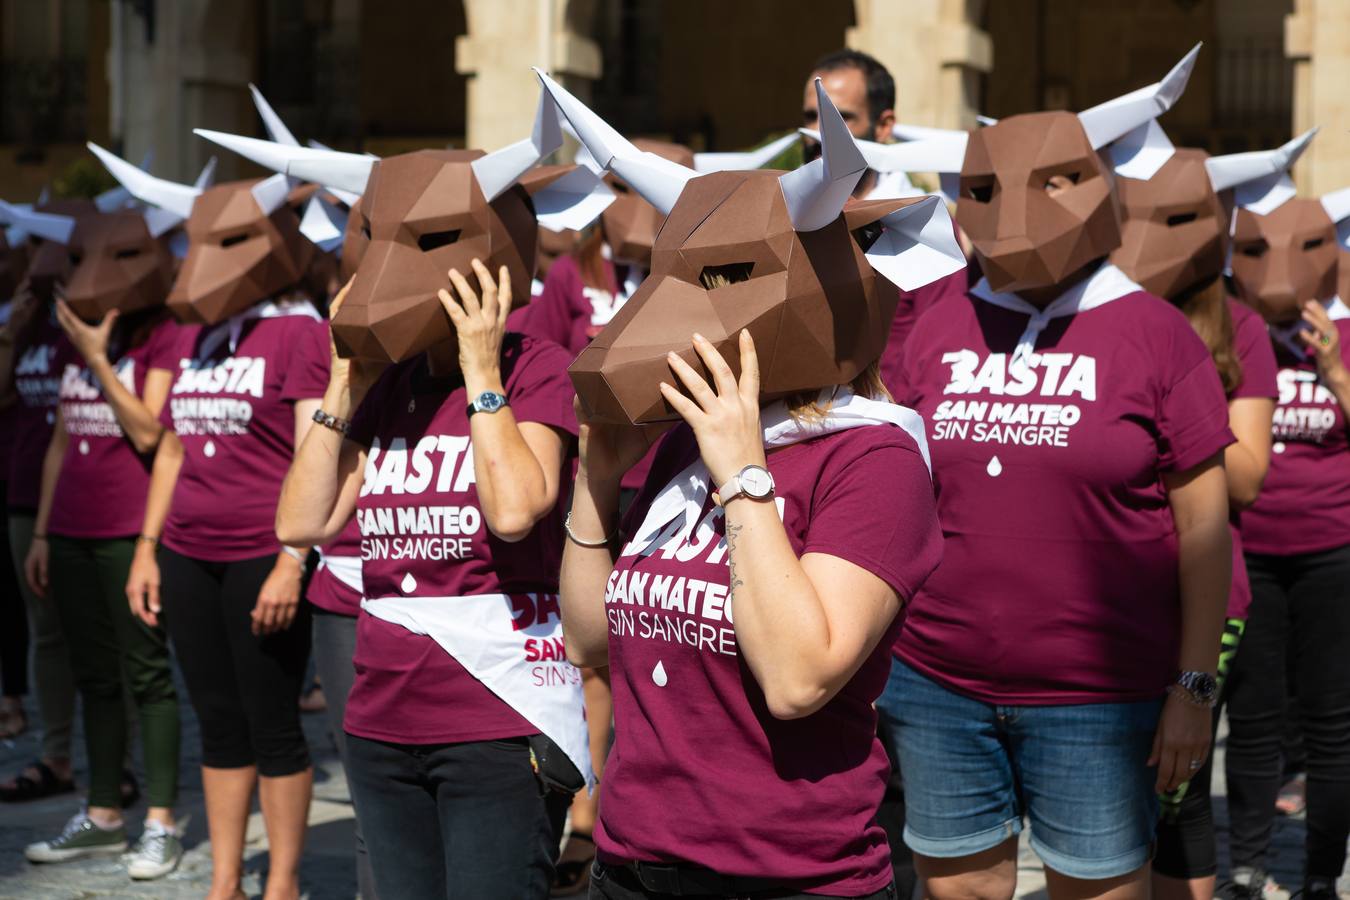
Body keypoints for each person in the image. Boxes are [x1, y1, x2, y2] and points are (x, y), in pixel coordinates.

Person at [870, 50, 1233, 900]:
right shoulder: (932, 319)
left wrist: (1194, 686)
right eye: (984, 191)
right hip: (938, 685)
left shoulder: (1156, 335)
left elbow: (1205, 528)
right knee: (956, 889)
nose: (1012, 214)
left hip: (1099, 698)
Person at [275, 261, 579, 898]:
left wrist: (480, 370)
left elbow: (517, 511)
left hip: (497, 715)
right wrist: (340, 381)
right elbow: (301, 523)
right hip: (381, 719)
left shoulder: (537, 366)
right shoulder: (386, 385)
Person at [87, 141, 332, 900]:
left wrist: (295, 560)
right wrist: (148, 547)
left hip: (263, 556)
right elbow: (169, 451)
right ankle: (226, 881)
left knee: (273, 724)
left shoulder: (299, 333)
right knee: (217, 722)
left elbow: (312, 455)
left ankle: (282, 883)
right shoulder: (193, 336)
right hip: (189, 554)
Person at [1107, 142, 1285, 900]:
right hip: (1115, 598)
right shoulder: (1103, 321)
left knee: (1174, 788)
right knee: (1121, 794)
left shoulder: (1239, 329)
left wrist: (1183, 399)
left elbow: (1245, 475)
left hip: (1208, 590)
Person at [21, 288, 184, 877]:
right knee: (94, 677)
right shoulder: (78, 336)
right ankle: (104, 815)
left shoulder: (162, 335)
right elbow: (61, 442)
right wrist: (42, 533)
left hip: (128, 531)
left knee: (146, 673)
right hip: (70, 530)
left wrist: (95, 359)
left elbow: (149, 434)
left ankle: (161, 822)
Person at [1222, 185, 1350, 900]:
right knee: (1254, 717)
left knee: (1332, 723)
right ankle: (1243, 864)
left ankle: (1321, 874)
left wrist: (1332, 369)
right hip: (1251, 551)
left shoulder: (1343, 330)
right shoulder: (1236, 333)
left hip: (1335, 551)